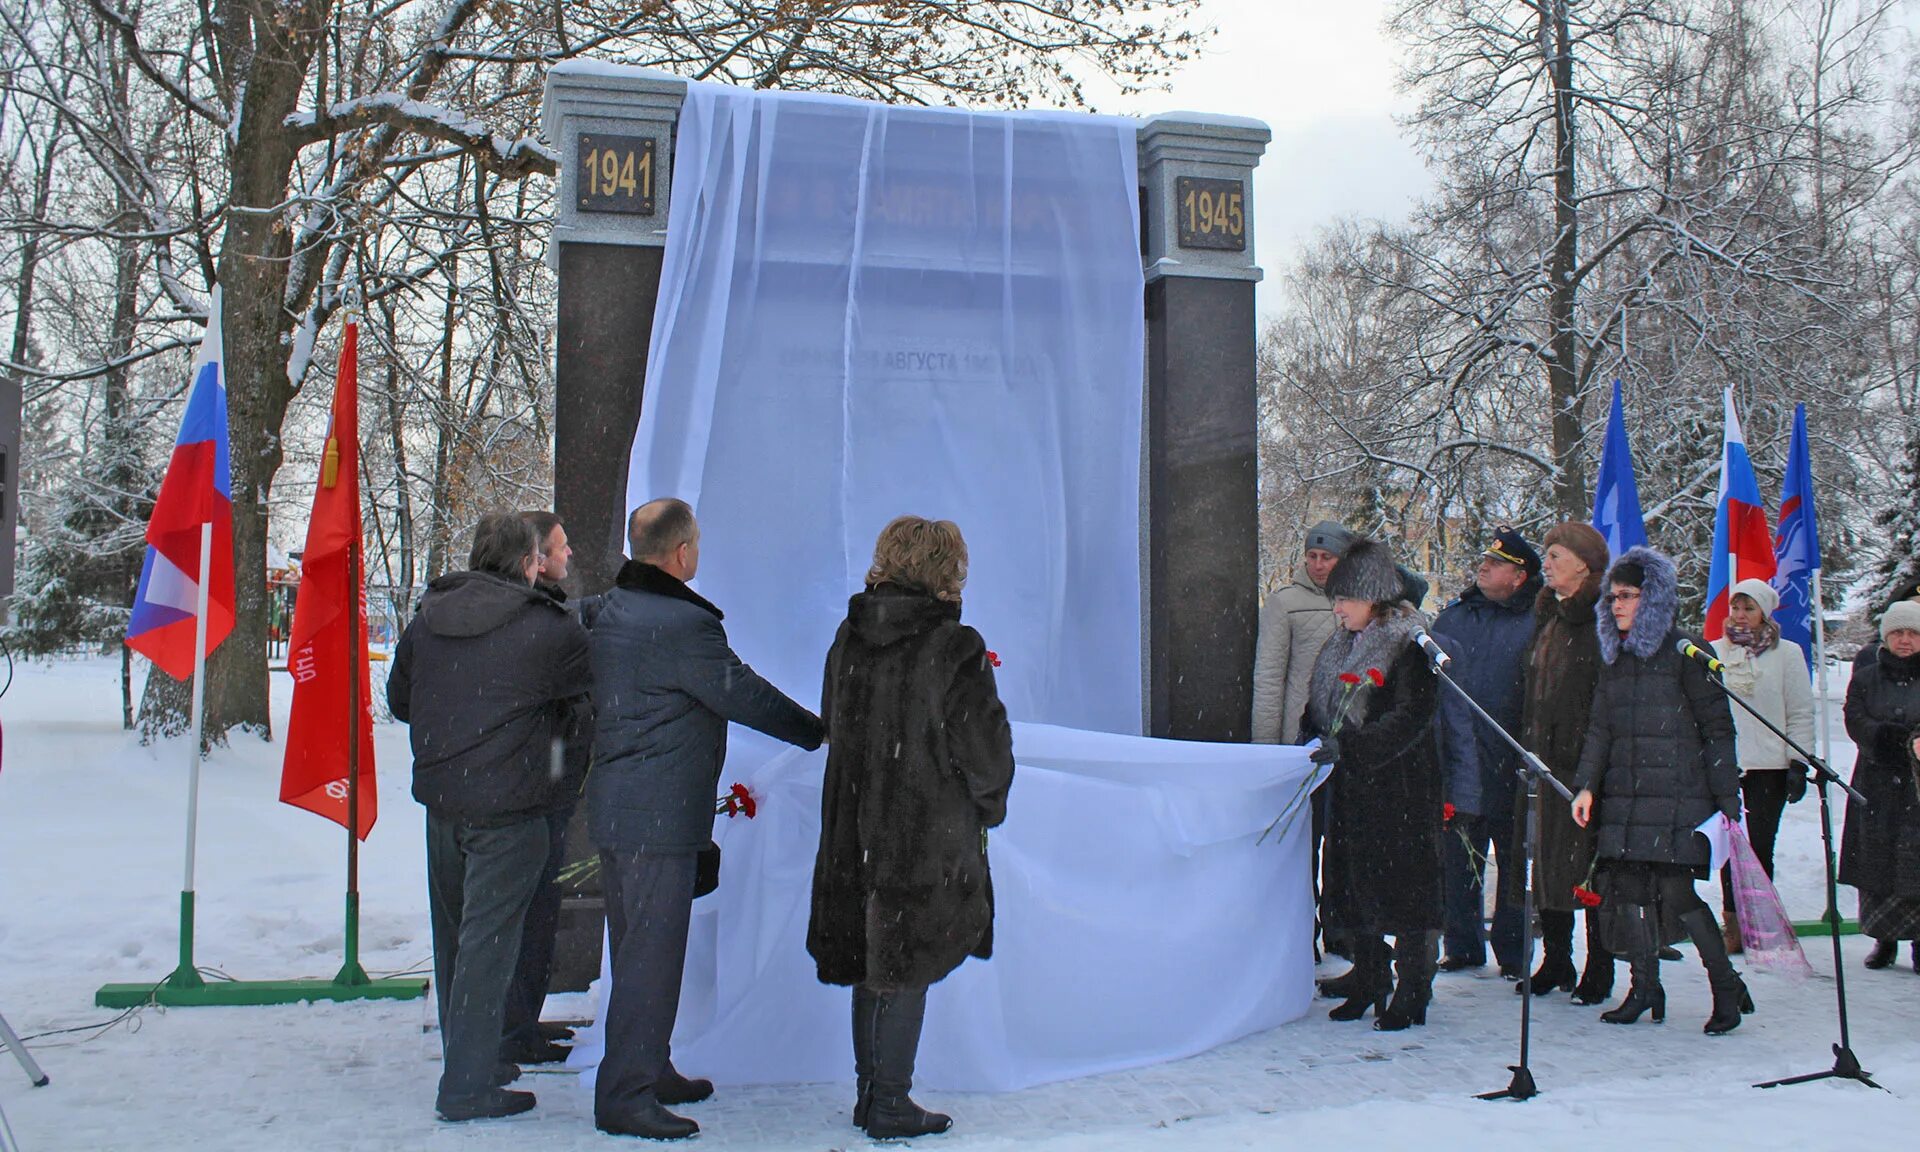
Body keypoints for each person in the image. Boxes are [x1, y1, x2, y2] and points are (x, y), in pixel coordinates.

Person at [586, 498, 826, 1140]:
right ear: (683, 553)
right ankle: (626, 1095)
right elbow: (742, 693)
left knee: (637, 950)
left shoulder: (609, 612)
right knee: (650, 960)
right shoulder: (682, 627)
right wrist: (818, 733)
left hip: (617, 809)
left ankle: (648, 1065)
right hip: (656, 818)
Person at [808, 516, 1015, 1139]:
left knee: (872, 952)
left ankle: (872, 1092)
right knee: (905, 955)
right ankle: (891, 1102)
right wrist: (989, 802)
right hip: (923, 828)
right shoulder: (954, 647)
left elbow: (832, 720)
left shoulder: (850, 635)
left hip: (855, 826)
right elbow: (984, 748)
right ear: (944, 570)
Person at [387, 512, 593, 1121]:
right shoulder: (546, 628)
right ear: (529, 563)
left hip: (445, 802)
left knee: (456, 943)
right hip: (512, 806)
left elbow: (401, 699)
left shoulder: (429, 617)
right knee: (489, 945)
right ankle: (467, 1087)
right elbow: (587, 697)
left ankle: (471, 1062)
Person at [1571, 546, 1752, 1034]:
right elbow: (1600, 729)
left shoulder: (1686, 651)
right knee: (1628, 895)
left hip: (1678, 797)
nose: (1616, 605)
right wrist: (1586, 785)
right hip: (1627, 797)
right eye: (1612, 597)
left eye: (1627, 596)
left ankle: (1725, 987)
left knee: (1678, 895)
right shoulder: (1615, 657)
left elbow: (1718, 730)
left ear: (1653, 599)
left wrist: (1726, 801)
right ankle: (1645, 986)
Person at [1305, 539, 1443, 1031]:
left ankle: (1412, 988)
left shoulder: (1410, 646)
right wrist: (1310, 737)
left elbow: (1411, 715)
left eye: (1346, 600)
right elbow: (1322, 704)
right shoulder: (1342, 643)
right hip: (1354, 787)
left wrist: (1357, 748)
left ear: (1375, 599)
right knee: (1351, 882)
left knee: (1404, 891)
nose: (1337, 609)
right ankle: (1369, 974)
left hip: (1401, 788)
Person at [1429, 528, 1542, 981]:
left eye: (1496, 564)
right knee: (1458, 857)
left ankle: (1514, 952)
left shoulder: (1536, 621)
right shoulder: (1456, 617)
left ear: (1519, 576)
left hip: (1511, 757)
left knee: (1514, 861)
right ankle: (1461, 943)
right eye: (1485, 561)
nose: (1484, 567)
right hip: (1460, 756)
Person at [498, 510, 583, 1066]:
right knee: (516, 918)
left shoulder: (550, 611)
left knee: (539, 916)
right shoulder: (518, 618)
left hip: (544, 787)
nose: (569, 554)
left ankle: (522, 1024)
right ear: (533, 559)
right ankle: (505, 1032)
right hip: (518, 789)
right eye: (560, 546)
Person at [1517, 522, 1615, 1004]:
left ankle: (1601, 965)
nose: (1547, 564)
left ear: (1584, 563)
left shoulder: (1603, 619)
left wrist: (1591, 761)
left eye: (1555, 555)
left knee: (1588, 869)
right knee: (1549, 863)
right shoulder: (1548, 616)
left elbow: (1607, 697)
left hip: (1585, 765)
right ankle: (1556, 958)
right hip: (1543, 759)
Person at [1709, 578, 1815, 955]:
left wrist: (1797, 762)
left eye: (1748, 608)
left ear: (1764, 614)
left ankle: (1761, 921)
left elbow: (1800, 710)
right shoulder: (1714, 651)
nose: (1739, 615)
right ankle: (1733, 924)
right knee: (1727, 848)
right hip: (1726, 765)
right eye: (1735, 607)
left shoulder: (1787, 654)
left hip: (1769, 766)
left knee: (1760, 848)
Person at [1839, 600, 1920, 972]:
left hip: (1917, 786)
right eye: (1898, 633)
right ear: (1886, 636)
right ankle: (1883, 939)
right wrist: (1883, 736)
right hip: (1876, 780)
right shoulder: (1866, 677)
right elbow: (1854, 718)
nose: (1905, 640)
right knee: (1878, 860)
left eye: (1913, 633)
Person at [1252, 520, 1355, 745]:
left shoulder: (1361, 603)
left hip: (1351, 736)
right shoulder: (1284, 602)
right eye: (1312, 556)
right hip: (1302, 732)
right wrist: (1265, 746)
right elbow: (1269, 679)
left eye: (1327, 557)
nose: (1318, 565)